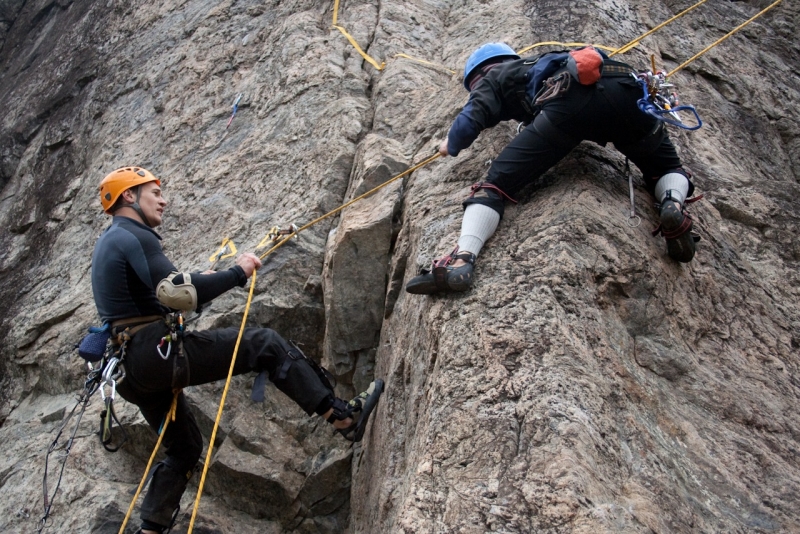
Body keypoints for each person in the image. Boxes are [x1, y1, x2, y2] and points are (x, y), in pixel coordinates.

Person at [91, 167, 384, 534]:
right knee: (263, 343)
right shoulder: (136, 235)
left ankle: (150, 530)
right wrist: (238, 272)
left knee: (184, 448)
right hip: (154, 354)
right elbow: (178, 293)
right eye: (155, 192)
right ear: (130, 196)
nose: (163, 199)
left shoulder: (109, 241)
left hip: (129, 369)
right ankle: (343, 417)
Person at [406, 43, 699, 295]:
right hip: (629, 93)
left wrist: (451, 143)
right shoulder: (553, 57)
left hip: (569, 105)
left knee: (493, 188)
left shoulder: (494, 75)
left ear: (479, 74)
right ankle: (673, 203)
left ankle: (462, 261)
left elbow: (475, 113)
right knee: (666, 167)